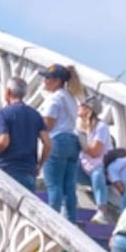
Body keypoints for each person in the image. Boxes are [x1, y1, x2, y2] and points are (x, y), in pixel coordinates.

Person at [0, 78, 50, 191]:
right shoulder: (35, 115)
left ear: (8, 92)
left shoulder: (3, 114)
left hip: (8, 170)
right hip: (29, 172)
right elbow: (48, 144)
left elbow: (4, 141)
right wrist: (39, 165)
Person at [39, 64, 84, 222]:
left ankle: (53, 220)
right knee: (69, 186)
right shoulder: (70, 96)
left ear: (57, 81)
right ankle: (70, 220)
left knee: (54, 184)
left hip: (57, 140)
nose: (44, 81)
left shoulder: (55, 98)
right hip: (72, 140)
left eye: (47, 78)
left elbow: (49, 124)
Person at [78, 95, 116, 223]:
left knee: (97, 173)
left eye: (82, 105)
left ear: (89, 109)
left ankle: (102, 211)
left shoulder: (101, 127)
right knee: (67, 165)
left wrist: (81, 143)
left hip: (102, 167)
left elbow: (95, 152)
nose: (79, 107)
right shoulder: (79, 125)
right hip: (84, 165)